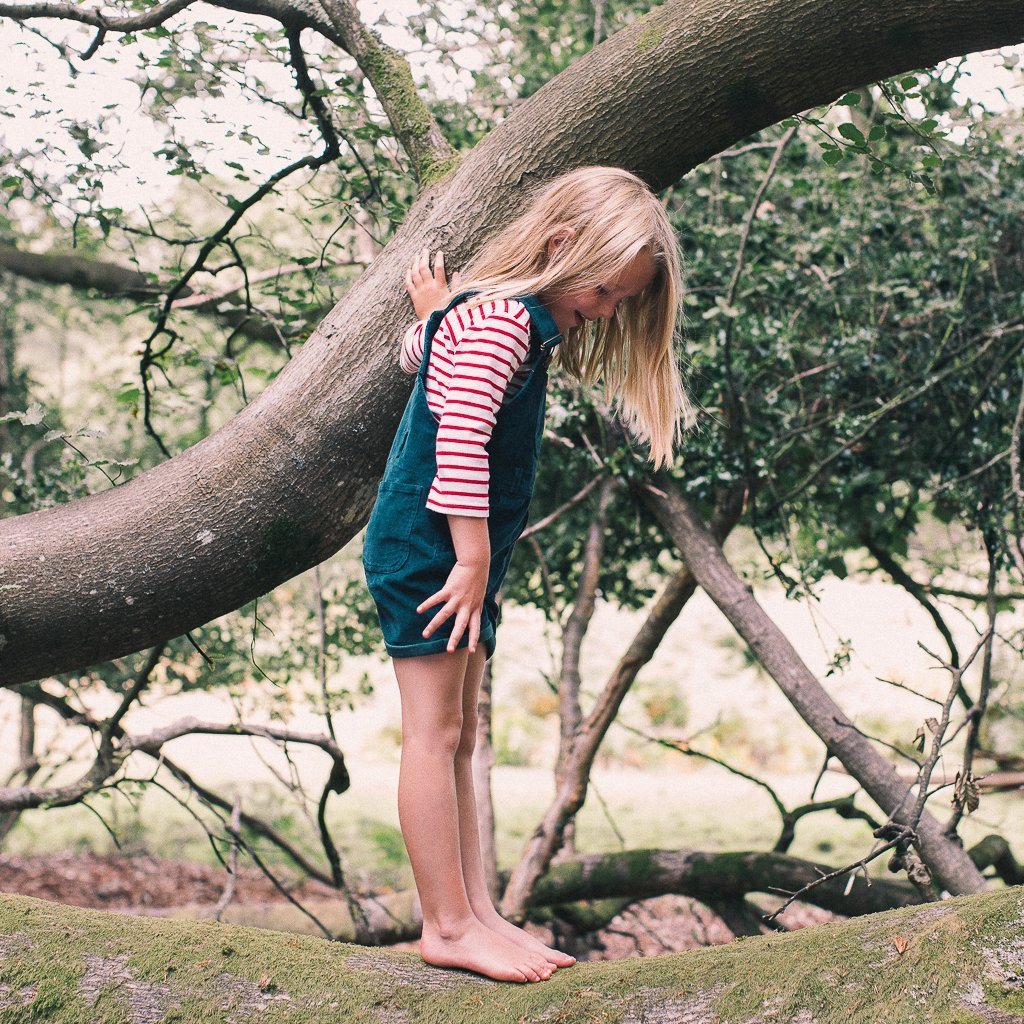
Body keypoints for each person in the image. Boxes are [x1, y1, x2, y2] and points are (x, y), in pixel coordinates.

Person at [362, 166, 692, 982]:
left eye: (621, 301)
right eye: (606, 291)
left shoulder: (489, 324)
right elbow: (461, 442)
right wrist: (472, 559)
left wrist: (437, 320)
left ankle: (478, 913)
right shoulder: (506, 325)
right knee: (433, 735)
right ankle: (445, 923)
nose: (608, 311)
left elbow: (422, 357)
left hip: (457, 554)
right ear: (558, 246)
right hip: (436, 553)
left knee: (464, 734)